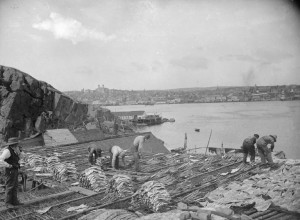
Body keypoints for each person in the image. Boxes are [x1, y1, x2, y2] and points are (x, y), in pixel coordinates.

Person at [0, 137, 24, 207]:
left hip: (15, 169)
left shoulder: (16, 150)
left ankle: (14, 201)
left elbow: (21, 157)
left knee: (15, 185)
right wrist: (8, 165)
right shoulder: (7, 151)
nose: (18, 145)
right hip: (10, 170)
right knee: (10, 186)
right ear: (14, 144)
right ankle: (7, 203)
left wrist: (21, 151)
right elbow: (0, 160)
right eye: (17, 144)